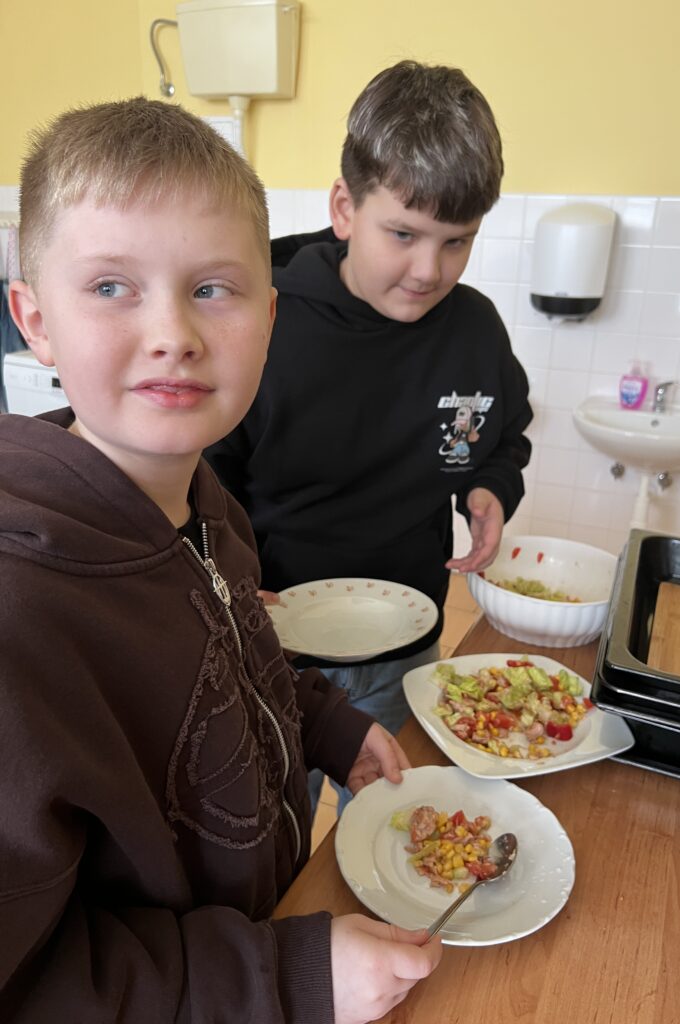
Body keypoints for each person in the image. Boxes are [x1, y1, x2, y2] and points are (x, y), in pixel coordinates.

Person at [0, 97, 442, 1024]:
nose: (175, 333)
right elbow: (28, 981)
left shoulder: (206, 507)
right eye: (111, 286)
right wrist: (281, 979)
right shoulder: (20, 619)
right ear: (34, 321)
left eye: (212, 288)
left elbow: (234, 663)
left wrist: (324, 724)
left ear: (268, 318)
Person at [205, 60, 533, 812]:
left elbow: (503, 436)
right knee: (274, 833)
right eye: (403, 234)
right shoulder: (264, 319)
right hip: (274, 651)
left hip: (405, 649)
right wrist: (225, 575)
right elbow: (204, 476)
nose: (428, 270)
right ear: (345, 208)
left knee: (388, 824)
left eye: (457, 242)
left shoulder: (476, 330)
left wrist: (491, 489)